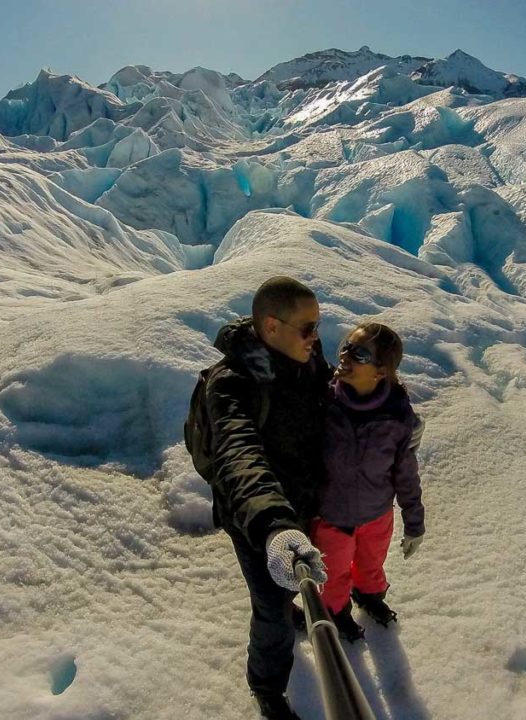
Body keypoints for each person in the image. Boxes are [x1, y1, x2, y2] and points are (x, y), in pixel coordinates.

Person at [204, 276, 331, 720]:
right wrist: (276, 525)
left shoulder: (306, 357)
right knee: (272, 614)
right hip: (256, 518)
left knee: (290, 589)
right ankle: (267, 688)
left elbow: (328, 401)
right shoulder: (231, 384)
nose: (316, 338)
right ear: (272, 327)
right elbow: (240, 454)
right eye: (307, 328)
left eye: (318, 327)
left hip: (302, 500)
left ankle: (292, 605)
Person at [310, 322, 425, 642]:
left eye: (359, 353)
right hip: (334, 516)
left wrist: (414, 522)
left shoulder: (397, 416)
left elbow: (405, 472)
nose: (346, 355)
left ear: (381, 372)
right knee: (333, 575)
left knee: (371, 563)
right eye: (346, 346)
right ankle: (335, 613)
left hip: (377, 513)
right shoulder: (324, 403)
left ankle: (370, 595)